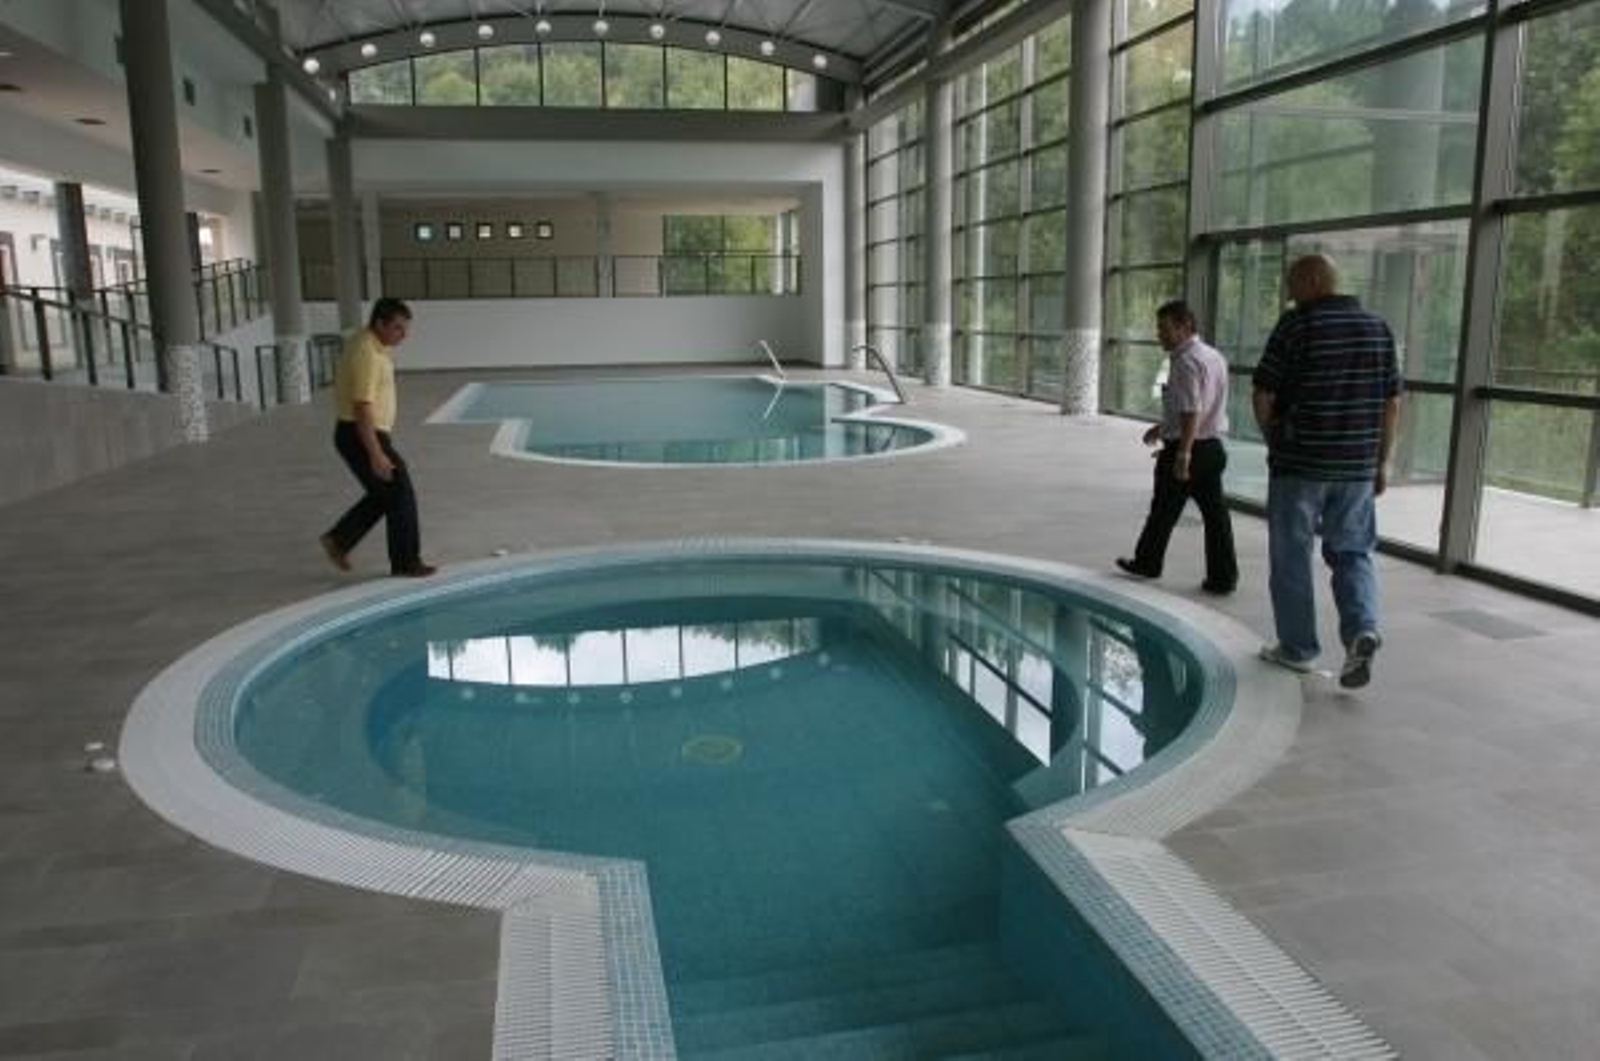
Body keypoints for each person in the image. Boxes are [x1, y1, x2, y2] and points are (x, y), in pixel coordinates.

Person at [1252, 254, 1401, 688]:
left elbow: (1263, 392)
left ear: (1315, 280)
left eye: (1291, 284)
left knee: (1292, 556)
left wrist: (1274, 443)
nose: (1288, 294)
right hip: (1355, 466)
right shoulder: (1379, 328)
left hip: (1300, 464)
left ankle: (1298, 649)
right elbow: (1392, 403)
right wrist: (1382, 461)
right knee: (1353, 551)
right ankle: (1362, 629)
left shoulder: (1297, 325)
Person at [1115, 299, 1237, 595]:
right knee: (1216, 516)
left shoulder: (1185, 361)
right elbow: (1202, 406)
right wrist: (1163, 428)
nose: (1159, 334)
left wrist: (1182, 452)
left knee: (1163, 510)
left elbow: (1192, 410)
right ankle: (1223, 577)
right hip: (1212, 447)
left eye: (1165, 328)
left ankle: (1147, 562)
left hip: (1189, 449)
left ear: (1185, 327)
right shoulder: (1212, 355)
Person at [319, 297, 436, 578]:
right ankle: (406, 563)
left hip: (361, 433)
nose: (404, 335)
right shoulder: (367, 354)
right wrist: (375, 453)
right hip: (361, 433)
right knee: (400, 494)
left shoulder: (372, 343)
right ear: (379, 323)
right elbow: (362, 406)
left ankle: (339, 539)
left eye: (406, 328)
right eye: (397, 328)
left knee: (386, 494)